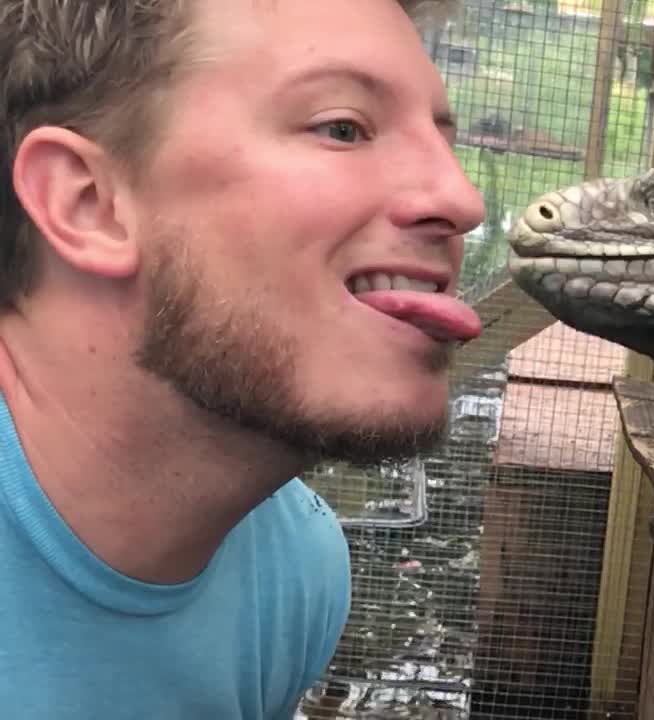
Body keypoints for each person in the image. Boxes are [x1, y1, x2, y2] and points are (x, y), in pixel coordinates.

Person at [0, 0, 485, 717]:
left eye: (446, 142)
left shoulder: (296, 570)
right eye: (343, 128)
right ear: (87, 203)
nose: (462, 199)